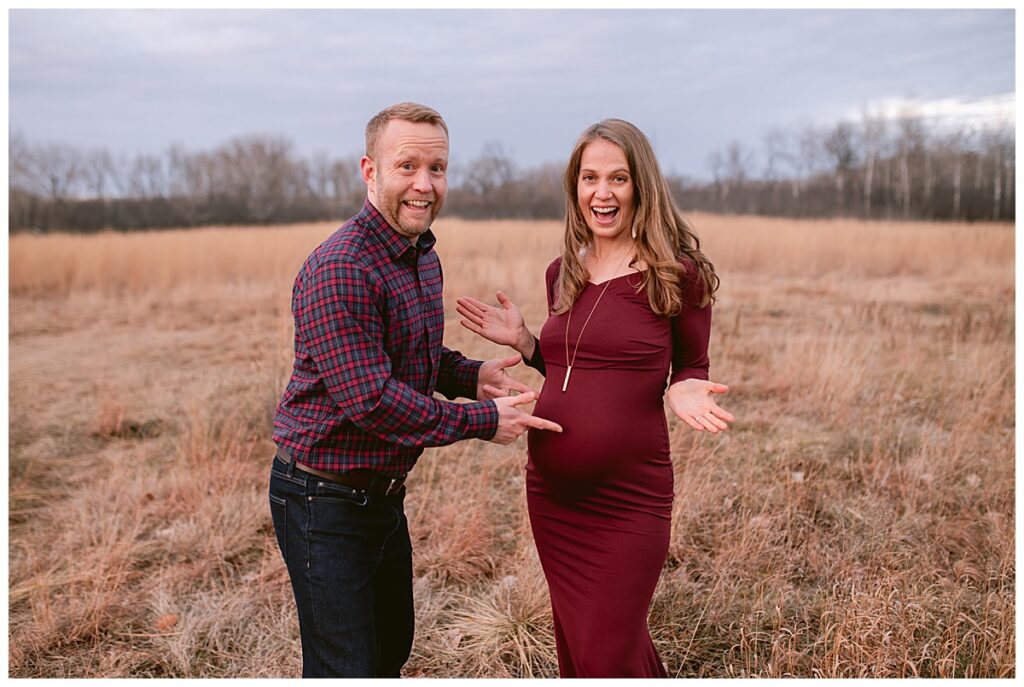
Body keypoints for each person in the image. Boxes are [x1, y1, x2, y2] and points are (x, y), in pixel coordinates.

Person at [269, 102, 562, 678]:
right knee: (345, 669)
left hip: (381, 495)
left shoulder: (420, 255)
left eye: (437, 168)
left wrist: (470, 376)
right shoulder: (343, 267)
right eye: (407, 166)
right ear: (370, 170)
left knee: (388, 654)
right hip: (322, 500)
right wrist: (482, 422)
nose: (424, 185)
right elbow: (373, 399)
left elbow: (412, 357)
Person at [456, 119, 734, 678]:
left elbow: (691, 364)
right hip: (553, 495)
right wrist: (526, 343)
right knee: (585, 651)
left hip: (628, 497)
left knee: (608, 653)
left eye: (617, 178)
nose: (602, 193)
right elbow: (572, 369)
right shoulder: (563, 272)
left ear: (641, 186)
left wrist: (682, 386)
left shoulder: (677, 274)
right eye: (589, 178)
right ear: (575, 186)